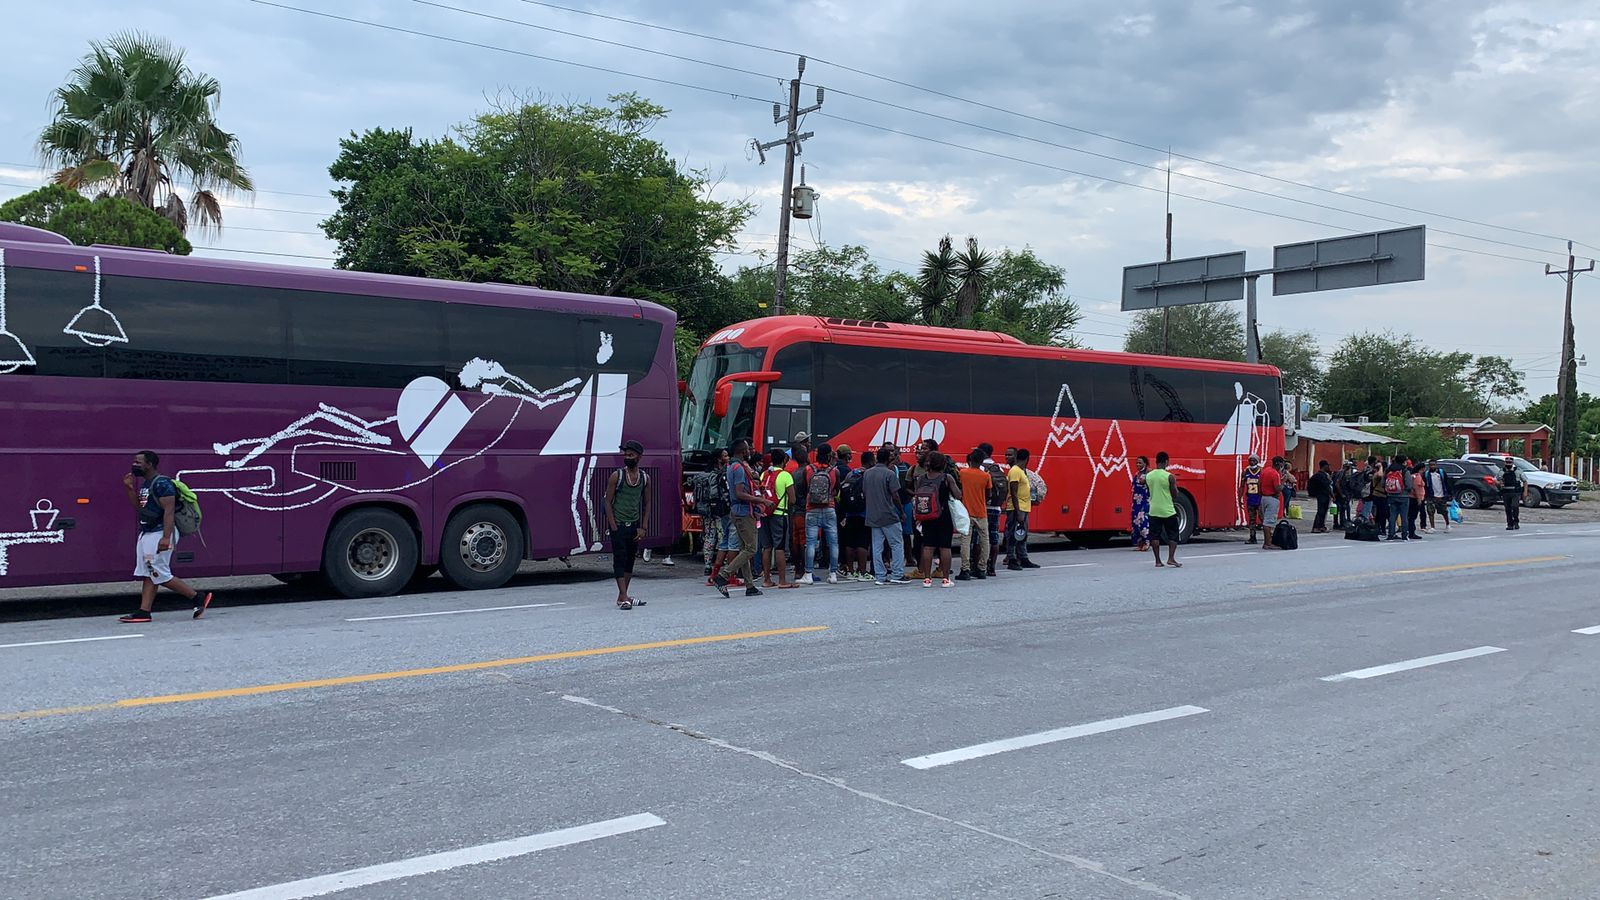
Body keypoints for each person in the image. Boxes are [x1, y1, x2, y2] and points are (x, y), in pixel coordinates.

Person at [119, 451, 213, 623]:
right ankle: (144, 611)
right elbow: (140, 508)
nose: (135, 465)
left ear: (150, 464)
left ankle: (196, 597)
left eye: (139, 462)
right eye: (134, 462)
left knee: (158, 571)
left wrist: (165, 537)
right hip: (147, 533)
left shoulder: (163, 484)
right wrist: (129, 489)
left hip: (160, 533)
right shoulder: (147, 484)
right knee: (150, 572)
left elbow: (168, 512)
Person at [712, 440, 765, 597]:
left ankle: (749, 585)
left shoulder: (732, 466)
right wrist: (762, 500)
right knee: (751, 548)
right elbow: (741, 493)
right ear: (743, 451)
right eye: (748, 449)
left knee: (744, 549)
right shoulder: (739, 468)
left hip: (737, 511)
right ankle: (723, 576)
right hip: (743, 512)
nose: (750, 451)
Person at [603, 440, 651, 610]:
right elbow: (607, 502)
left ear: (639, 457)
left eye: (631, 455)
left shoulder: (645, 478)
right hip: (619, 524)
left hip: (635, 525)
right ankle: (623, 596)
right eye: (625, 454)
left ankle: (623, 595)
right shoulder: (617, 476)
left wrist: (643, 527)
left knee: (630, 559)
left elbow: (647, 504)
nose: (627, 457)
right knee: (620, 558)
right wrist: (613, 525)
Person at [914, 451, 962, 587]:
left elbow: (917, 496)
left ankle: (927, 579)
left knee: (928, 547)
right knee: (945, 548)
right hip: (943, 516)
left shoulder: (921, 478)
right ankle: (945, 579)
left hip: (927, 516)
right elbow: (958, 495)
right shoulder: (946, 478)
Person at [865, 447, 910, 584]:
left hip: (873, 514)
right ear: (888, 459)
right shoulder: (889, 474)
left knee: (877, 546)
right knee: (896, 543)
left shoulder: (867, 473)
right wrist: (901, 512)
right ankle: (897, 574)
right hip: (888, 514)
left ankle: (880, 575)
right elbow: (895, 495)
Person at [801, 443, 841, 585]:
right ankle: (833, 574)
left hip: (811, 509)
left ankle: (809, 574)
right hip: (829, 508)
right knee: (833, 543)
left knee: (811, 543)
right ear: (830, 455)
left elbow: (806, 488)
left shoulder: (808, 469)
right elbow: (836, 490)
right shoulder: (834, 471)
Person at [760, 448, 796, 588]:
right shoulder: (785, 475)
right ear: (784, 460)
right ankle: (782, 581)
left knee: (766, 547)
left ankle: (767, 580)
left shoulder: (764, 474)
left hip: (764, 513)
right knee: (779, 547)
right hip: (780, 514)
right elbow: (792, 499)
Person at [957, 449, 992, 581]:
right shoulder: (986, 476)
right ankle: (982, 568)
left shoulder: (963, 473)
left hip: (966, 512)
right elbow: (989, 494)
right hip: (981, 512)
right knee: (985, 540)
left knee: (965, 541)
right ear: (982, 461)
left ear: (970, 459)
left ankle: (965, 569)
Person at [1145, 451, 1181, 568]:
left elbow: (1149, 490)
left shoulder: (1148, 476)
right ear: (1166, 462)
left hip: (1154, 509)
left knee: (1155, 535)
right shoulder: (1169, 476)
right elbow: (1175, 494)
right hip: (1168, 510)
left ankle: (1158, 561)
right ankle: (1171, 558)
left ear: (1156, 462)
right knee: (1173, 534)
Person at [1005, 448, 1039, 569]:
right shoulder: (1015, 471)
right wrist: (1018, 511)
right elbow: (1013, 492)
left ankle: (1023, 558)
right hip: (1017, 508)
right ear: (1027, 459)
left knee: (1022, 534)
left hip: (1023, 507)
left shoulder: (1021, 471)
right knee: (1013, 534)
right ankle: (1012, 559)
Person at [979, 443, 1005, 577]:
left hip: (983, 507)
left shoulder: (981, 467)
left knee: (980, 538)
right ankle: (992, 568)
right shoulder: (998, 467)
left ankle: (979, 565)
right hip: (996, 507)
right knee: (994, 537)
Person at [1257, 457, 1283, 549]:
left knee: (1265, 520)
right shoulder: (1275, 474)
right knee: (1268, 522)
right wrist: (1283, 485)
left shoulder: (1265, 471)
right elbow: (1277, 488)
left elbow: (1259, 484)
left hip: (1263, 497)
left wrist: (1260, 496)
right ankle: (1268, 543)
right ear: (1279, 464)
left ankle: (1268, 541)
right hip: (1272, 498)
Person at [1240, 455, 1265, 544]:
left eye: (1254, 460)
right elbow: (1242, 485)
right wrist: (1240, 498)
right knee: (1251, 520)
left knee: (1263, 518)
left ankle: (1268, 537)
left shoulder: (1261, 471)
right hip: (1250, 498)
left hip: (1260, 498)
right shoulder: (1246, 471)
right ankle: (1252, 537)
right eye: (1250, 460)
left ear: (1257, 461)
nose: (1252, 462)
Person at [1383, 458, 1410, 541]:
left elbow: (1382, 483)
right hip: (1403, 496)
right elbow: (1409, 485)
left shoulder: (1388, 471)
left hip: (1391, 496)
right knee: (1404, 516)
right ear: (1403, 462)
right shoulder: (1405, 471)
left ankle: (1391, 534)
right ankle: (1404, 535)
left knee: (1392, 516)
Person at [1131, 456, 1152, 551]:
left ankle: (1147, 542)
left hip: (1144, 500)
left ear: (1145, 463)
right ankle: (1140, 543)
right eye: (1137, 463)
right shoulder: (1137, 473)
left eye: (1140, 463)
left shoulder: (1149, 473)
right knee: (1135, 522)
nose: (1138, 465)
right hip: (1136, 501)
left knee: (1143, 521)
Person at [1424, 459, 1451, 533]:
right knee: (1430, 511)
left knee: (1444, 511)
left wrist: (1449, 494)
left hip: (1441, 495)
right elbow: (1426, 485)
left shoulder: (1441, 473)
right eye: (1431, 465)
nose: (1432, 466)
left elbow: (1446, 483)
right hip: (1431, 496)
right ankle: (1432, 527)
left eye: (1434, 464)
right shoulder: (1427, 474)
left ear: (1436, 465)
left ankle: (1447, 524)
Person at [1309, 460, 1334, 533]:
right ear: (1325, 466)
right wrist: (1332, 495)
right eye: (1328, 466)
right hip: (1323, 495)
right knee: (1321, 511)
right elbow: (1327, 486)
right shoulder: (1321, 475)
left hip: (1322, 495)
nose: (1329, 467)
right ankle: (1316, 527)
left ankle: (1321, 526)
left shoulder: (1320, 475)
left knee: (1324, 511)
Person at [1500, 457, 1525, 529]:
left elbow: (1525, 481)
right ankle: (1509, 524)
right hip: (1506, 492)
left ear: (1512, 463)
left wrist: (1525, 492)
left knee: (1515, 506)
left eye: (1509, 462)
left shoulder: (1518, 471)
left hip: (1515, 492)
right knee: (1507, 509)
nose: (1508, 464)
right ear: (1505, 463)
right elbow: (1496, 480)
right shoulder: (1502, 471)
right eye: (1507, 462)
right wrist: (1500, 483)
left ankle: (1516, 522)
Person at [1407, 459, 1427, 539]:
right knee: (1412, 516)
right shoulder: (1417, 477)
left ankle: (1410, 531)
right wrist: (1419, 499)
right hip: (1415, 498)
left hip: (1411, 497)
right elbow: (1417, 488)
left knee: (1410, 516)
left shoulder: (1412, 475)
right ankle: (1411, 532)